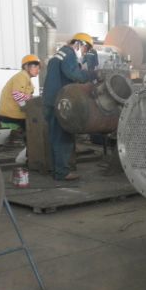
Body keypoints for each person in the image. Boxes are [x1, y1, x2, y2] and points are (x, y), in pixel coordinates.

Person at [42, 32, 98, 181]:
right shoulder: (69, 54)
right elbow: (74, 74)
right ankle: (62, 173)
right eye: (86, 49)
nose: (85, 53)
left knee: (55, 137)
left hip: (51, 101)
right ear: (79, 44)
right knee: (63, 137)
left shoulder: (59, 54)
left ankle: (56, 170)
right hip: (60, 103)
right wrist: (92, 75)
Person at [0, 54, 40, 134]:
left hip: (14, 113)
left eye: (38, 67)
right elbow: (17, 95)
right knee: (37, 124)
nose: (37, 69)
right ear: (26, 67)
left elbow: (23, 96)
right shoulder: (22, 76)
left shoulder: (25, 77)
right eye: (34, 66)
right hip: (13, 114)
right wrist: (30, 102)